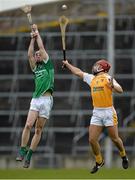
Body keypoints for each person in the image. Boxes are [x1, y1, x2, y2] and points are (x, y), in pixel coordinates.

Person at [62, 59, 129, 173]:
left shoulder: (108, 78)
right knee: (92, 139)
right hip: (97, 112)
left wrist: (113, 86)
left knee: (115, 139)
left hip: (108, 112)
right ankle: (99, 161)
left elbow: (120, 90)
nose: (95, 66)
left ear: (102, 67)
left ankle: (123, 156)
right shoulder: (92, 78)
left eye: (97, 65)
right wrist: (68, 65)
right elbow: (78, 72)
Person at [16, 24, 54, 168]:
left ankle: (29, 156)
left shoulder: (48, 65)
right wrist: (31, 39)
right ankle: (22, 150)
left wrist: (37, 34)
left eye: (39, 54)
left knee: (38, 130)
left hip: (47, 100)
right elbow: (29, 54)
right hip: (36, 99)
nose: (37, 55)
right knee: (28, 125)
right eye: (36, 54)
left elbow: (42, 48)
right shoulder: (35, 68)